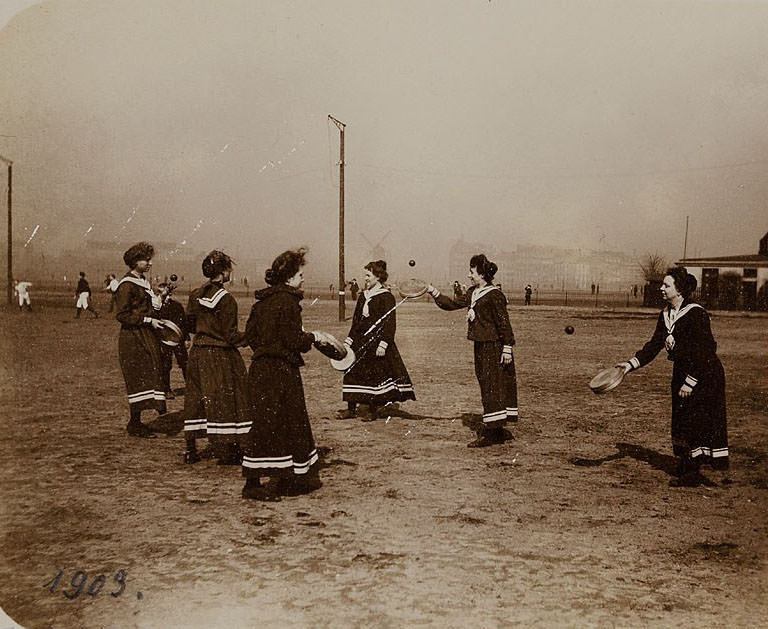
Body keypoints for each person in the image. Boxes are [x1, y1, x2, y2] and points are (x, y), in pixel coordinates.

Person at [615, 267, 728, 487]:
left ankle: (692, 473)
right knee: (682, 418)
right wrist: (629, 365)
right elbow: (654, 345)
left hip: (705, 374)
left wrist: (690, 382)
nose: (662, 288)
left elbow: (706, 351)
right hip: (682, 371)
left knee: (696, 420)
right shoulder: (666, 314)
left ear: (680, 289)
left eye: (666, 285)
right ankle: (688, 464)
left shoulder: (697, 313)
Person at [241, 248, 329, 501]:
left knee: (264, 424)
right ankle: (270, 484)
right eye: (300, 274)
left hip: (260, 370)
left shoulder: (262, 302)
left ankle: (259, 479)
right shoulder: (289, 302)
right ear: (289, 278)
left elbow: (252, 337)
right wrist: (313, 337)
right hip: (281, 372)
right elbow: (294, 340)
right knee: (288, 423)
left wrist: (267, 349)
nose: (303, 279)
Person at [426, 253, 518, 447]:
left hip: (494, 346)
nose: (469, 275)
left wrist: (507, 347)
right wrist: (433, 291)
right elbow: (452, 304)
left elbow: (504, 324)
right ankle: (497, 428)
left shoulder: (494, 295)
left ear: (482, 274)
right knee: (487, 383)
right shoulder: (473, 292)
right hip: (481, 344)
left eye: (472, 272)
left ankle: (492, 432)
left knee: (492, 385)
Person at [181, 251, 252, 465]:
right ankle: (227, 451)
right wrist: (250, 337)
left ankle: (190, 449)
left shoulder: (195, 294)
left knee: (195, 397)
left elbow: (190, 324)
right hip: (220, 354)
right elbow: (231, 335)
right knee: (226, 398)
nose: (231, 272)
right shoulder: (227, 300)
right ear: (222, 273)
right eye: (229, 268)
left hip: (197, 352)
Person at [337, 260, 416, 421]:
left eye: (368, 275)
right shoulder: (363, 296)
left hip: (376, 343)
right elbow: (356, 322)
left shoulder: (386, 297)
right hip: (360, 342)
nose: (365, 278)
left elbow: (389, 323)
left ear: (378, 277)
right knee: (351, 372)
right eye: (365, 275)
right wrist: (349, 340)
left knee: (373, 376)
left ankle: (372, 410)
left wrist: (383, 343)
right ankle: (351, 409)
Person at [115, 242, 166, 437]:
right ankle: (134, 423)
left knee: (148, 375)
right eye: (146, 259)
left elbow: (149, 308)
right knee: (138, 378)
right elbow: (121, 314)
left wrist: (159, 301)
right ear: (135, 261)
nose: (150, 263)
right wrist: (147, 320)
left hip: (144, 334)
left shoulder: (142, 281)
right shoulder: (127, 285)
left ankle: (136, 422)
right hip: (133, 337)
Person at [156, 282, 189, 400]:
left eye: (169, 295)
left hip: (178, 338)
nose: (167, 297)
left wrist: (186, 338)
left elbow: (184, 323)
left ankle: (191, 387)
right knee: (165, 364)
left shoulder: (177, 306)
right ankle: (166, 389)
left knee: (185, 363)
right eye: (164, 295)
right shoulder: (156, 308)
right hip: (164, 340)